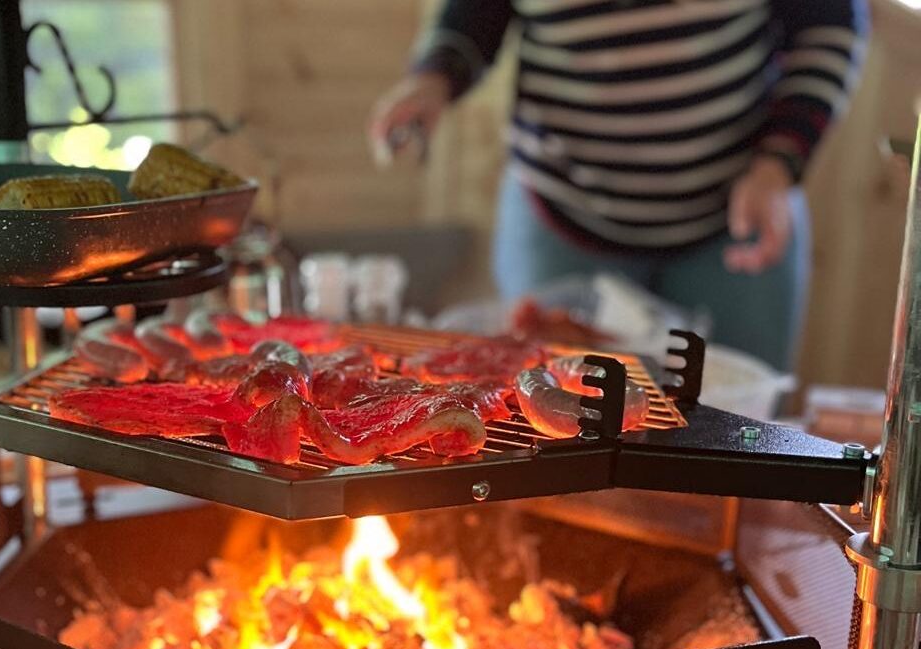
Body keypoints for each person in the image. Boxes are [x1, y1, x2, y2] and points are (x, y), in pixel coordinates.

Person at [370, 0, 868, 371]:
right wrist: (434, 77)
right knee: (551, 450)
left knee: (735, 446)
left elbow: (828, 27)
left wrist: (777, 166)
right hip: (561, 219)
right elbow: (476, 13)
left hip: (737, 223)